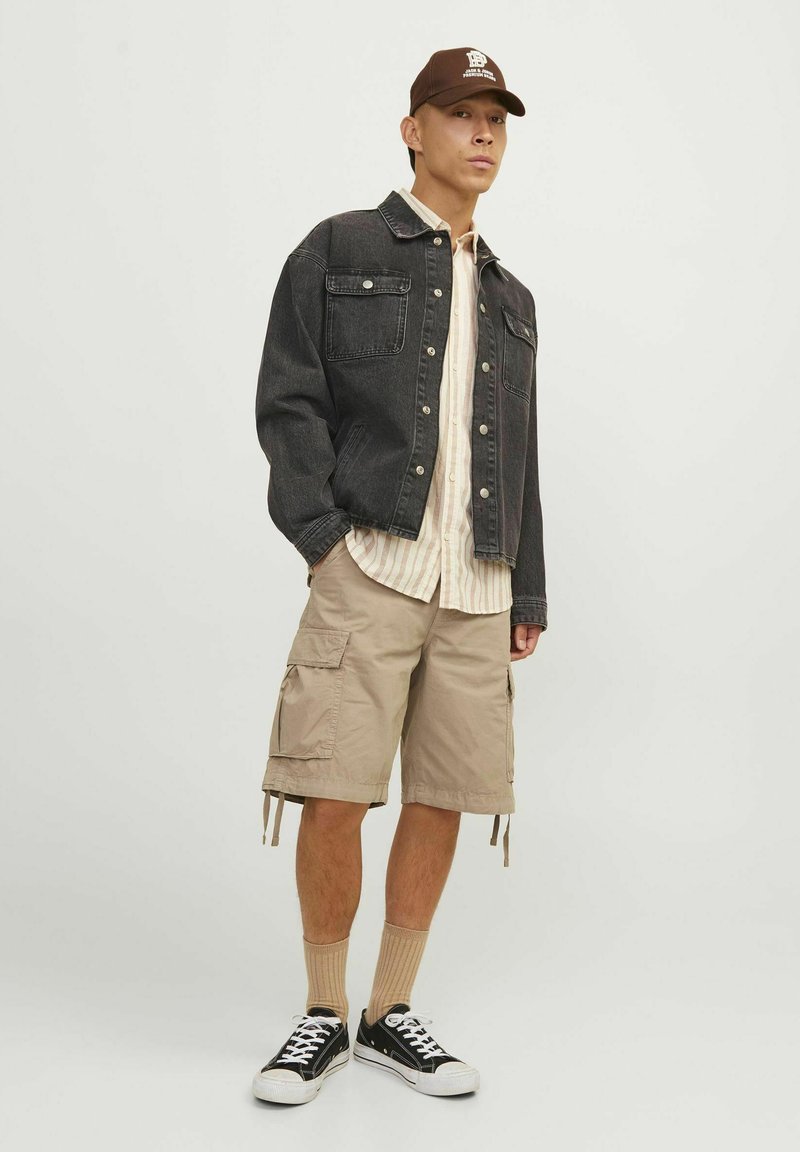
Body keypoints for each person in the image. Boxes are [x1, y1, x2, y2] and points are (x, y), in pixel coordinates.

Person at [251, 46, 547, 1105]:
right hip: (370, 564)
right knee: (335, 792)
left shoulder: (512, 297)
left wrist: (528, 590)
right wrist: (322, 537)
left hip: (477, 582)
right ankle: (321, 1013)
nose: (482, 133)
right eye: (461, 114)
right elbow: (288, 398)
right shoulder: (339, 247)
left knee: (444, 798)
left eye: (495, 119)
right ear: (413, 130)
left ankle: (388, 1012)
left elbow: (520, 452)